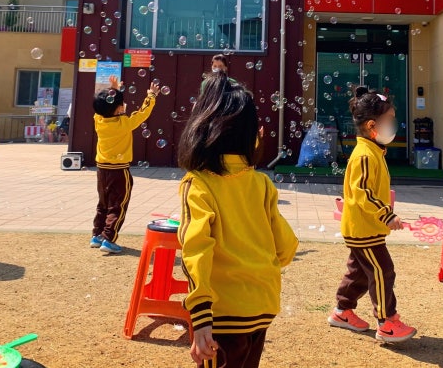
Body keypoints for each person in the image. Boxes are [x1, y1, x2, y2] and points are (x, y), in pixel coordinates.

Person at [178, 72, 297, 368]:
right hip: (262, 305)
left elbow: (195, 251)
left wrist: (201, 317)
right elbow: (286, 248)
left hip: (222, 314)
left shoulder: (198, 184)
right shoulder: (261, 184)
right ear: (250, 135)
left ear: (201, 128)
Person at [329, 86, 416, 344]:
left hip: (364, 227)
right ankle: (386, 322)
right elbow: (363, 192)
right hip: (364, 228)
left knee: (359, 272)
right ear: (371, 125)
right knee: (382, 271)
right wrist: (386, 215)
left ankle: (342, 311)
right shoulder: (365, 155)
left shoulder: (373, 151)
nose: (394, 125)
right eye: (389, 120)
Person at [91, 75, 160, 254]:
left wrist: (113, 90)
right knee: (118, 205)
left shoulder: (98, 121)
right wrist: (151, 95)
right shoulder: (124, 123)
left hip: (102, 169)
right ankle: (109, 239)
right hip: (119, 170)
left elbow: (106, 107)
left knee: (103, 203)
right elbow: (143, 113)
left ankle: (97, 235)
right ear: (119, 109)